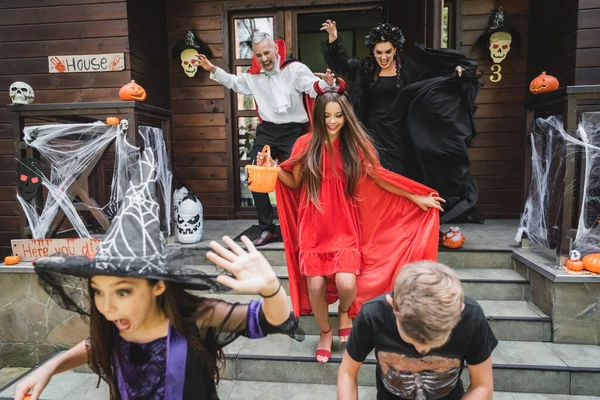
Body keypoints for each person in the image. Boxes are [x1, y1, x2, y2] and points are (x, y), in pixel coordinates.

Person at [13, 149, 303, 400]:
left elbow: (272, 320)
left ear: (158, 286)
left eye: (123, 291)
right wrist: (48, 369)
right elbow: (93, 345)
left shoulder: (196, 318)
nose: (107, 307)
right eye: (99, 292)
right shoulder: (115, 324)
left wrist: (271, 290)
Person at [258, 82, 443, 363]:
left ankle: (344, 312)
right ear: (318, 117)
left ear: (346, 116)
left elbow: (380, 178)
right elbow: (294, 182)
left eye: (338, 116)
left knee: (346, 283)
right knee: (316, 286)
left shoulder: (354, 144)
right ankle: (324, 332)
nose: (332, 121)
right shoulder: (304, 144)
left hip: (344, 226)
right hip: (312, 226)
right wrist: (273, 169)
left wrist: (415, 198)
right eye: (327, 116)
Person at [321, 20, 485, 224]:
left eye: (387, 52)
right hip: (372, 132)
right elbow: (341, 64)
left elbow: (437, 76)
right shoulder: (365, 68)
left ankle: (400, 221)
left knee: (401, 175)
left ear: (395, 49)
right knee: (375, 176)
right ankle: (378, 221)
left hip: (401, 130)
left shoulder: (409, 69)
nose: (383, 57)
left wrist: (458, 70)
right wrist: (334, 37)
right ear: (373, 51)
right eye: (378, 52)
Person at [195, 31, 334, 246]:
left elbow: (313, 87)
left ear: (276, 49)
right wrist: (212, 69)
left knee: (299, 181)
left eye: (267, 53)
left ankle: (302, 227)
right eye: (259, 55)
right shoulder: (253, 76)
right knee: (256, 177)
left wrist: (326, 84)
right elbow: (234, 82)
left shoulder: (295, 69)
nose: (264, 58)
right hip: (267, 131)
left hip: (293, 132)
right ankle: (267, 229)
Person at [337, 261, 497, 400]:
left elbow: (482, 385)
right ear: (393, 306)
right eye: (412, 339)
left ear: (459, 311)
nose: (422, 349)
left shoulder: (471, 317)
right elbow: (347, 373)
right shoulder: (372, 315)